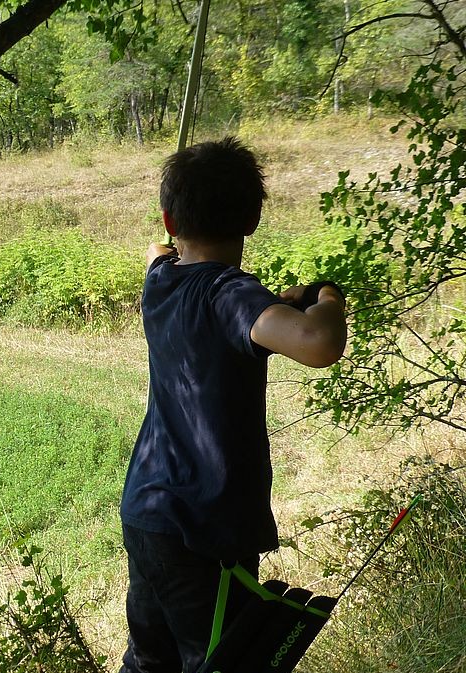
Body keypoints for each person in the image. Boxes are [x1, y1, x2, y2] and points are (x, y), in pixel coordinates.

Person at [118, 136, 347, 673]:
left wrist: (273, 303)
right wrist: (326, 296)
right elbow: (319, 343)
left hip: (148, 515)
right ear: (252, 220)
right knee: (222, 664)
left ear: (171, 222)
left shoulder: (159, 281)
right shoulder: (229, 293)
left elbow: (157, 253)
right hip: (204, 530)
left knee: (149, 662)